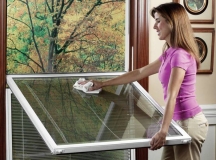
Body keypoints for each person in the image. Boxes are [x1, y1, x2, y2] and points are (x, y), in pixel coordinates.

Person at [79, 2, 208, 160]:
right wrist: (103, 83)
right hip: (175, 123)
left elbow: (172, 95)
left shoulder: (180, 55)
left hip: (189, 123)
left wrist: (162, 131)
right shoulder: (170, 53)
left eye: (158, 20)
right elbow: (139, 72)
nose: (155, 26)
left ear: (172, 22)